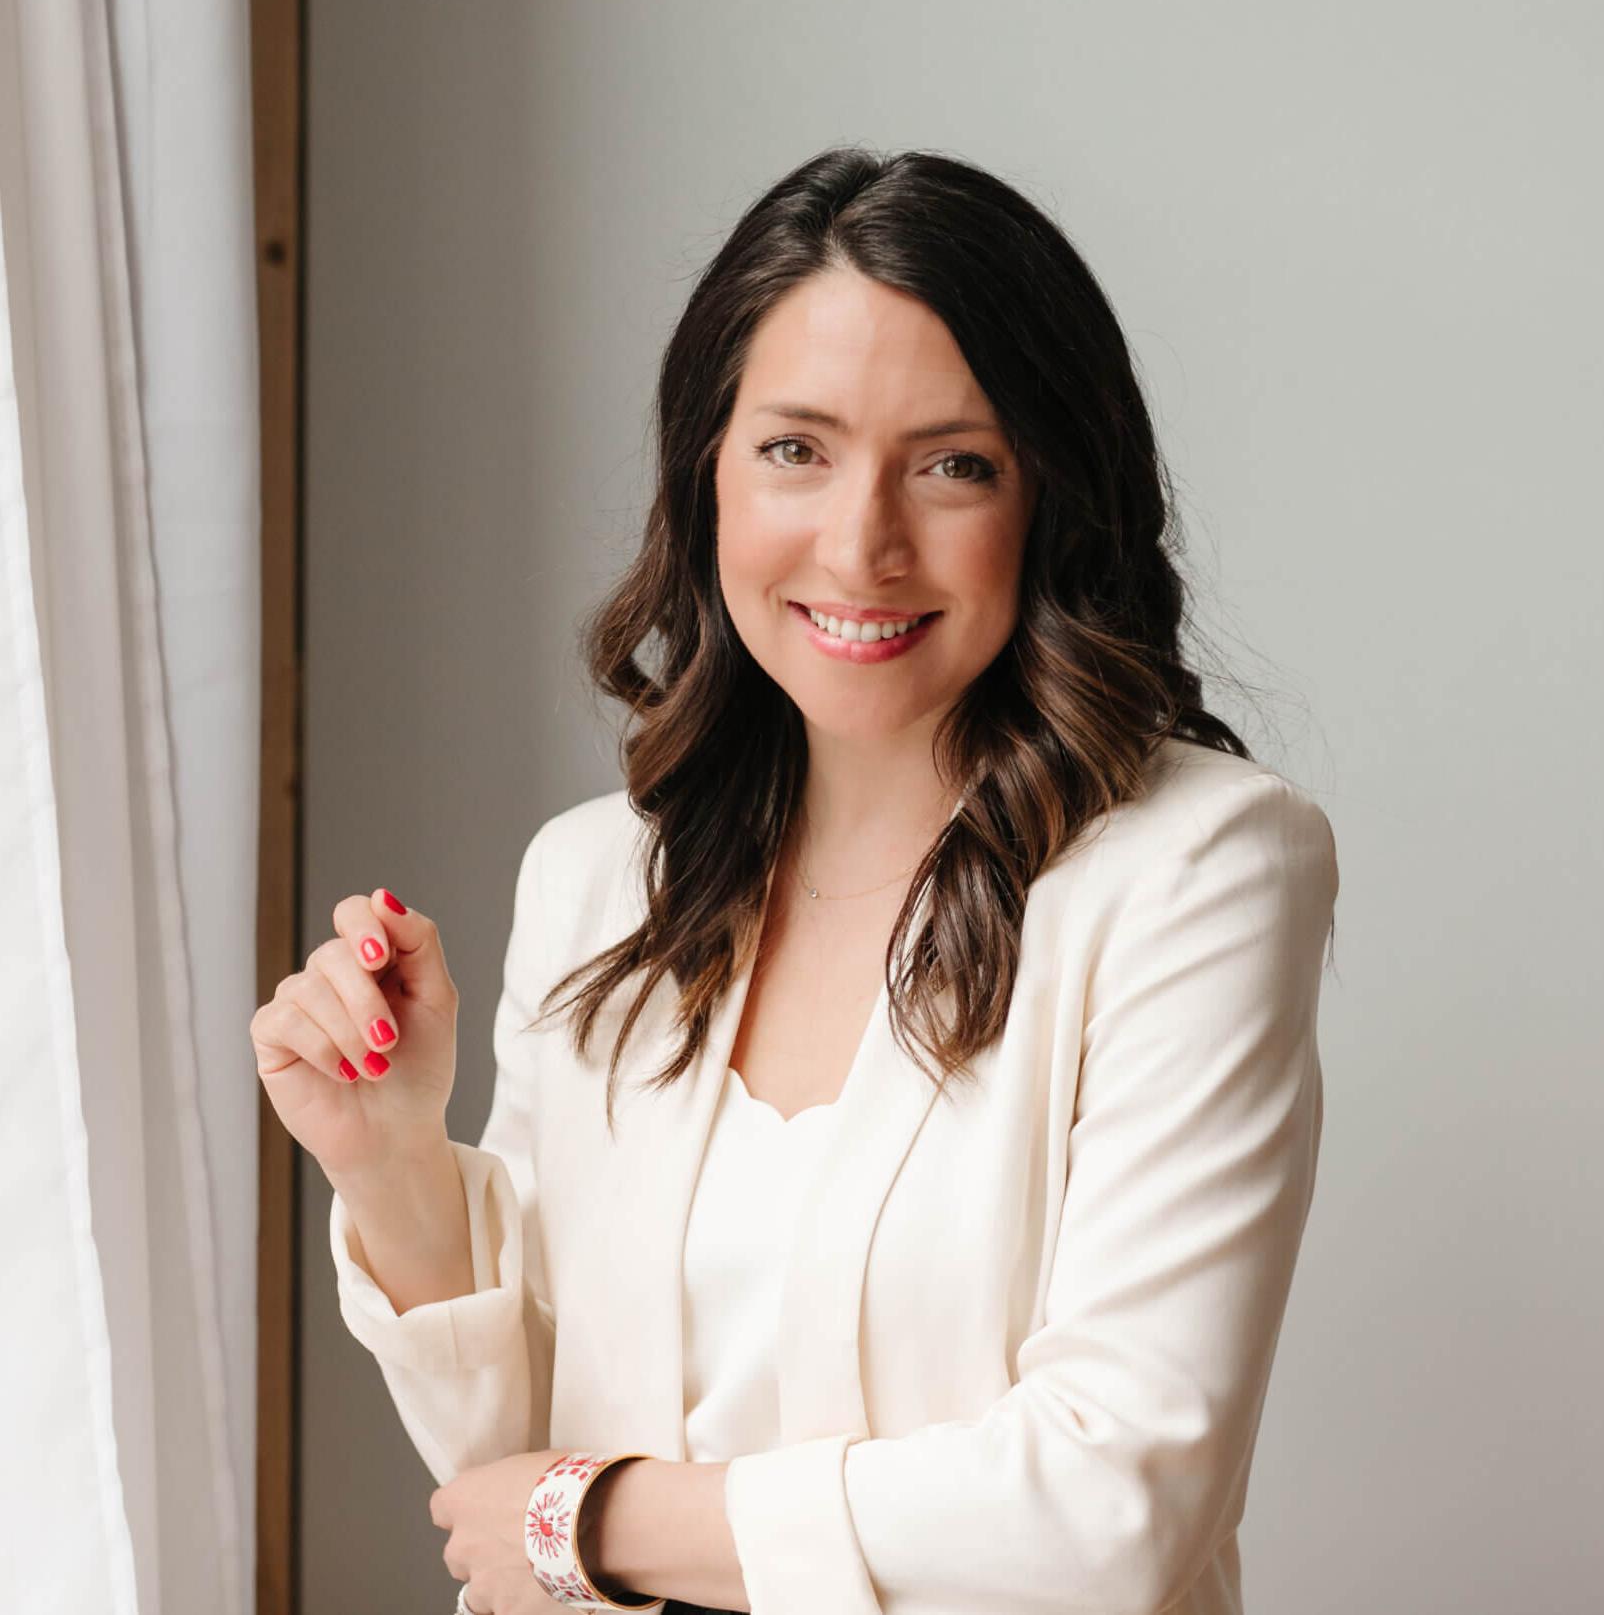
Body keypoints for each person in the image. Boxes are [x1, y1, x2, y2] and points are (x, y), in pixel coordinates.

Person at [252, 146, 1340, 1615]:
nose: (861, 544)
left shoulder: (1199, 871)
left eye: (954, 464)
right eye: (795, 450)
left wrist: (596, 1518)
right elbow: (506, 1483)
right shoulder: (597, 883)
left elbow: (1112, 1507)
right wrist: (390, 1162)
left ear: (1053, 498)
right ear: (706, 472)